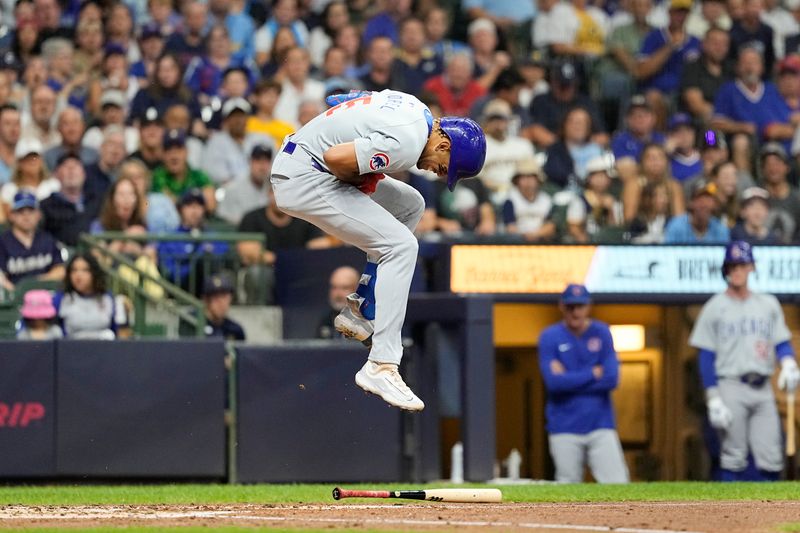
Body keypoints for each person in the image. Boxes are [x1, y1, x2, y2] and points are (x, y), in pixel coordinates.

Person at [269, 88, 486, 411]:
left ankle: (363, 307)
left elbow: (343, 100)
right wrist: (364, 179)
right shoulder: (408, 145)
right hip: (305, 177)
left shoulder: (416, 108)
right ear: (443, 144)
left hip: (302, 158)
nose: (437, 173)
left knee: (411, 204)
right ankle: (382, 365)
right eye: (444, 168)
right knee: (402, 246)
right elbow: (336, 159)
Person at [690, 240, 800, 482]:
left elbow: (781, 341)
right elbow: (705, 355)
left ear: (751, 267)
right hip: (731, 385)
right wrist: (713, 397)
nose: (738, 270)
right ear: (726, 270)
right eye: (733, 266)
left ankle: (767, 512)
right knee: (733, 456)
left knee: (771, 456)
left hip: (762, 387)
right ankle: (731, 516)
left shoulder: (767, 303)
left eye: (742, 264)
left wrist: (789, 363)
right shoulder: (714, 307)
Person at [538, 283, 630, 484]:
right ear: (562, 306)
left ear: (588, 306)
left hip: (600, 425)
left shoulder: (602, 332)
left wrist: (569, 377)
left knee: (617, 485)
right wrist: (592, 373)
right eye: (570, 306)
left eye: (580, 306)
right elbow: (554, 383)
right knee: (567, 486)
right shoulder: (550, 336)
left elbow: (611, 379)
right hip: (564, 426)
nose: (575, 311)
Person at [53, 252, 128, 340]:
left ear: (94, 273)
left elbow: (122, 335)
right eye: (74, 270)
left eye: (85, 270)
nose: (78, 275)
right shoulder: (61, 298)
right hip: (70, 350)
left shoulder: (108, 298)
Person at [0, 191, 65, 290]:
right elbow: (1, 278)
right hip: (15, 299)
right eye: (20, 212)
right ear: (11, 215)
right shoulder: (3, 242)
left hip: (46, 295)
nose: (26, 217)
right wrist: (18, 292)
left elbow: (60, 269)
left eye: (31, 211)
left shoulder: (47, 238)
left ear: (38, 215)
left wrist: (35, 284)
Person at [39, 152, 102, 247]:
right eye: (66, 167)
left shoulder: (97, 201)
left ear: (84, 174)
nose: (71, 171)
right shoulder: (46, 206)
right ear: (56, 174)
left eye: (76, 166)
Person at [501, 158, 557, 242]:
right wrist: (525, 236)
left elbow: (551, 226)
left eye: (531, 177)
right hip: (517, 243)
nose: (527, 181)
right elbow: (510, 227)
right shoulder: (510, 199)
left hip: (542, 241)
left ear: (538, 180)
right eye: (523, 177)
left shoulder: (546, 200)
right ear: (517, 180)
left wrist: (536, 234)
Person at [217, 144, 272, 225]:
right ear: (250, 162)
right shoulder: (233, 188)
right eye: (258, 160)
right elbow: (225, 221)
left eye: (266, 161)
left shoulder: (274, 188)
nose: (262, 166)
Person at [664, 179, 730, 243]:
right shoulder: (676, 227)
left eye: (708, 199)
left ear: (715, 204)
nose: (705, 204)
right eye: (700, 199)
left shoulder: (720, 230)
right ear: (691, 203)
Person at [193, 273, 245, 341]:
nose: (221, 303)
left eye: (225, 297)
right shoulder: (192, 322)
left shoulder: (235, 329)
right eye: (216, 298)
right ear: (205, 299)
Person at [317, 265, 359, 339]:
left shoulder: (369, 321)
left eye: (345, 288)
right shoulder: (326, 321)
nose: (338, 294)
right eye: (334, 287)